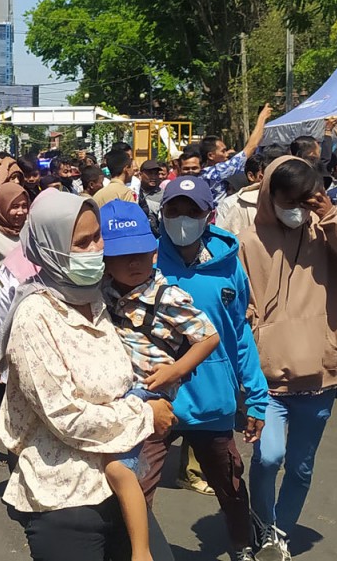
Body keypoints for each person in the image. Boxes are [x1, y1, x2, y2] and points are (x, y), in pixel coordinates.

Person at [0, 191, 176, 561]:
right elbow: (66, 417)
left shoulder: (99, 300)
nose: (96, 249)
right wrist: (145, 416)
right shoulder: (35, 317)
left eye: (98, 238)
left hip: (118, 483)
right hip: (64, 499)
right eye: (81, 242)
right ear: (50, 248)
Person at [238, 156, 337, 559]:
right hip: (268, 378)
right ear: (271, 196)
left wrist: (333, 217)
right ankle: (263, 527)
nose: (298, 209)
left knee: (301, 466)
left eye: (307, 200)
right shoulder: (249, 241)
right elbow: (241, 305)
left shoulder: (329, 234)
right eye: (290, 200)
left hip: (321, 374)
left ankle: (279, 533)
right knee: (268, 457)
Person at [136, 175, 269, 561]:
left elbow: (238, 333)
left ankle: (243, 546)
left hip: (212, 402)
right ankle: (133, 549)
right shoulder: (147, 262)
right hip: (153, 399)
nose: (181, 218)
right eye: (173, 209)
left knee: (230, 485)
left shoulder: (229, 267)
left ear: (208, 215)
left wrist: (256, 397)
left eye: (190, 211)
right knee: (136, 486)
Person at [99, 199, 223, 561]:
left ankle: (139, 550)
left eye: (140, 253)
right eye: (122, 256)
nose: (133, 263)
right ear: (105, 261)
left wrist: (176, 370)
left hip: (149, 401)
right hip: (117, 401)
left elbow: (209, 335)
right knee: (113, 485)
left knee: (134, 482)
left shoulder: (167, 295)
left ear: (154, 252)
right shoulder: (103, 293)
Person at [198, 105, 272, 203]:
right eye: (223, 151)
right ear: (211, 156)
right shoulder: (217, 172)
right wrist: (262, 118)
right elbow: (251, 146)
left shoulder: (203, 173)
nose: (226, 154)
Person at [216, 151, 270, 237]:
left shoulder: (279, 202)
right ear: (251, 176)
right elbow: (222, 238)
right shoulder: (230, 204)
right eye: (264, 177)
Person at [136, 159, 165, 236]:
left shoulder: (163, 195)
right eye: (149, 173)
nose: (153, 177)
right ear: (140, 174)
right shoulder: (134, 193)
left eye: (156, 174)